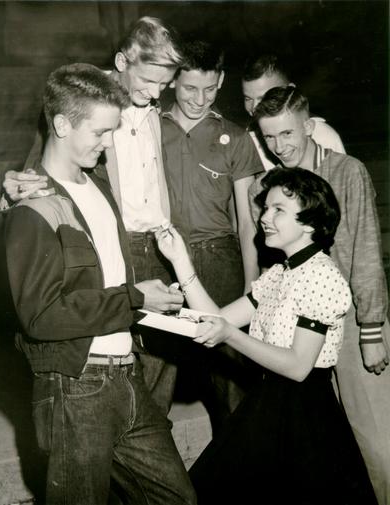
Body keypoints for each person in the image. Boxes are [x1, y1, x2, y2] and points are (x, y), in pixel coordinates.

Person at [4, 63, 196, 505]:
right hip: (76, 386)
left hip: (126, 375)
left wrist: (146, 297)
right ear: (61, 125)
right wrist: (132, 298)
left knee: (177, 497)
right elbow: (42, 316)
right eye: (100, 132)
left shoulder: (98, 187)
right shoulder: (32, 208)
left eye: (114, 130)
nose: (108, 144)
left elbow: (105, 277)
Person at [155, 167, 377, 505]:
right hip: (268, 402)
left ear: (311, 223)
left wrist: (230, 335)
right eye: (266, 208)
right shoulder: (279, 274)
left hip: (304, 417)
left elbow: (299, 366)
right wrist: (181, 262)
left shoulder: (322, 277)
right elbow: (217, 319)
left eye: (278, 210)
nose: (264, 218)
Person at [1, 16, 184, 416]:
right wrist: (13, 190)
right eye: (148, 81)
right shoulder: (85, 102)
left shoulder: (154, 108)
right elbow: (39, 174)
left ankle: (144, 432)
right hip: (111, 250)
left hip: (157, 245)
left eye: (163, 85)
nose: (155, 94)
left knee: (158, 372)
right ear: (122, 62)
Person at [250, 85, 390, 504]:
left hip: (350, 322)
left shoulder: (348, 171)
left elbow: (366, 251)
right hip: (298, 325)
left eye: (287, 135)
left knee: (377, 446)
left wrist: (371, 332)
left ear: (309, 127)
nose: (279, 147)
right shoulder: (272, 183)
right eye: (269, 138)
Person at [161, 39, 262, 428]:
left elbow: (247, 221)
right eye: (189, 88)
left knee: (230, 380)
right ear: (172, 81)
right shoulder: (149, 129)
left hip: (220, 260)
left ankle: (239, 472)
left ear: (220, 81)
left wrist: (251, 285)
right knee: (157, 375)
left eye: (209, 89)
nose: (199, 99)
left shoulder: (235, 138)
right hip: (164, 258)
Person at [242, 54, 345, 170]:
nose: (255, 107)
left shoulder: (323, 136)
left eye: (265, 97)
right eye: (248, 99)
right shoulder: (245, 138)